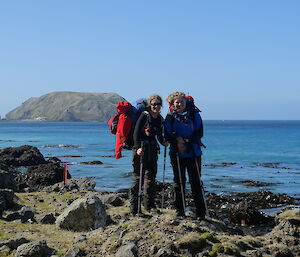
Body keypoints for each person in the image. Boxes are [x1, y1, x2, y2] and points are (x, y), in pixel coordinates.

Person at [164, 91, 207, 219]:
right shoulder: (170, 117)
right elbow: (167, 135)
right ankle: (180, 212)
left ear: (185, 102)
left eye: (181, 101)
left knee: (196, 182)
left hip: (194, 153)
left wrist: (185, 141)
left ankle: (201, 213)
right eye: (176, 102)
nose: (179, 104)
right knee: (179, 182)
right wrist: (177, 140)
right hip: (176, 154)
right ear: (172, 103)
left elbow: (199, 133)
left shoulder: (194, 115)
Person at [129, 95, 168, 215]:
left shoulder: (160, 119)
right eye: (153, 104)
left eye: (157, 104)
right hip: (141, 150)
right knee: (138, 179)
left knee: (151, 179)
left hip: (152, 151)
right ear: (149, 105)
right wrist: (137, 148)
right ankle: (134, 208)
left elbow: (159, 135)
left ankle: (149, 206)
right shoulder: (145, 115)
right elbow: (136, 132)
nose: (155, 106)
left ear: (161, 105)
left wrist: (164, 142)